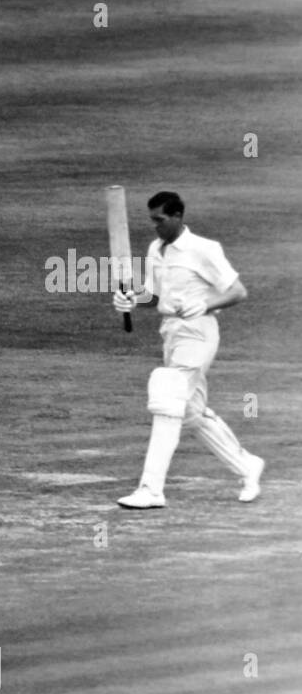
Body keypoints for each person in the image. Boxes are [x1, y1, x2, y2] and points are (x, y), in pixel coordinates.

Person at [113, 192, 264, 508]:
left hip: (199, 333)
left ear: (178, 216)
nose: (155, 226)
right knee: (191, 412)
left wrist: (204, 304)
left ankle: (151, 490)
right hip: (171, 333)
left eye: (160, 220)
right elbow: (156, 296)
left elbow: (238, 291)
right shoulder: (156, 250)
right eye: (152, 220)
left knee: (167, 400)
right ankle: (247, 466)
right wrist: (132, 300)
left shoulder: (204, 249)